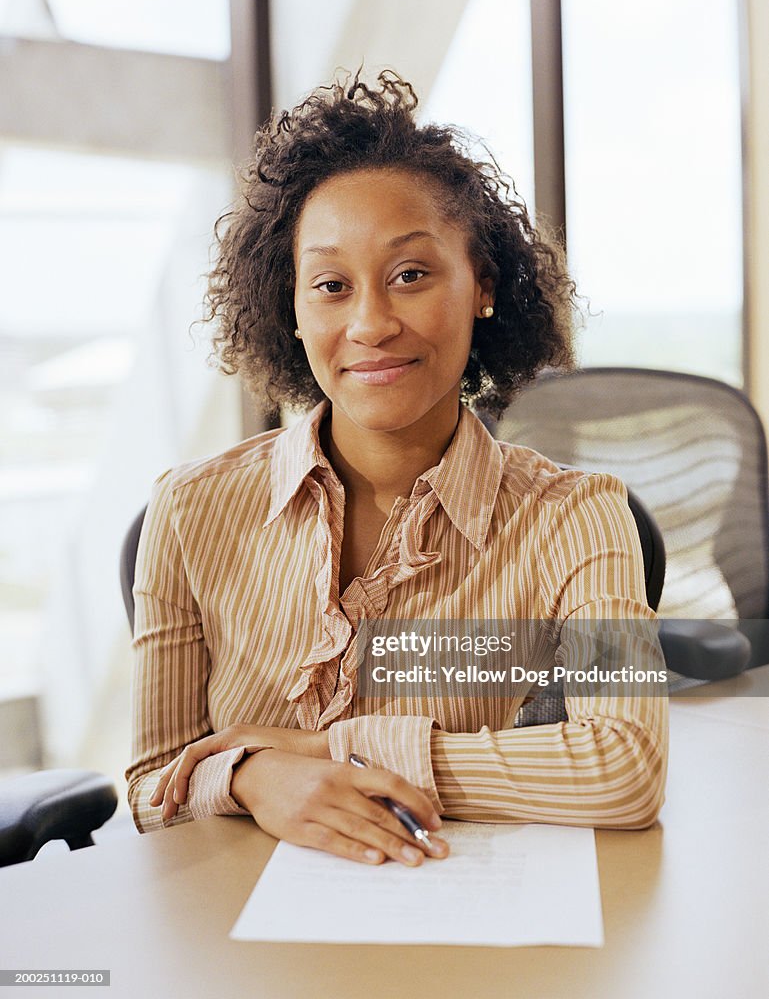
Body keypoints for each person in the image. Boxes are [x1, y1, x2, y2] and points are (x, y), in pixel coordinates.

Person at [126, 70, 668, 868]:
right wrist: (254, 780)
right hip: (240, 950)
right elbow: (149, 785)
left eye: (410, 275)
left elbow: (626, 767)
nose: (372, 323)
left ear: (481, 285)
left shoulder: (580, 513)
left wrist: (341, 753)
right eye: (331, 286)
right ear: (293, 309)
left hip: (467, 925)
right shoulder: (188, 510)